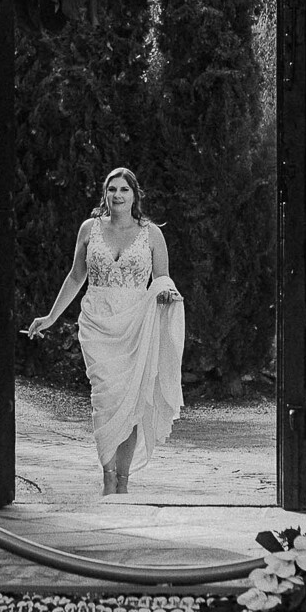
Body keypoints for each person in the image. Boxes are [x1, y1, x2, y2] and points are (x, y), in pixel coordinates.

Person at [25, 167, 185, 495]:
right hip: (97, 323)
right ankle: (107, 475)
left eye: (124, 189)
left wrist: (167, 293)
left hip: (135, 325)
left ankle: (122, 481)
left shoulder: (152, 234)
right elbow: (75, 277)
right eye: (112, 189)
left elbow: (162, 278)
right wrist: (51, 317)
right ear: (105, 194)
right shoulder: (89, 229)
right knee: (105, 400)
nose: (117, 195)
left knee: (131, 402)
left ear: (135, 195)